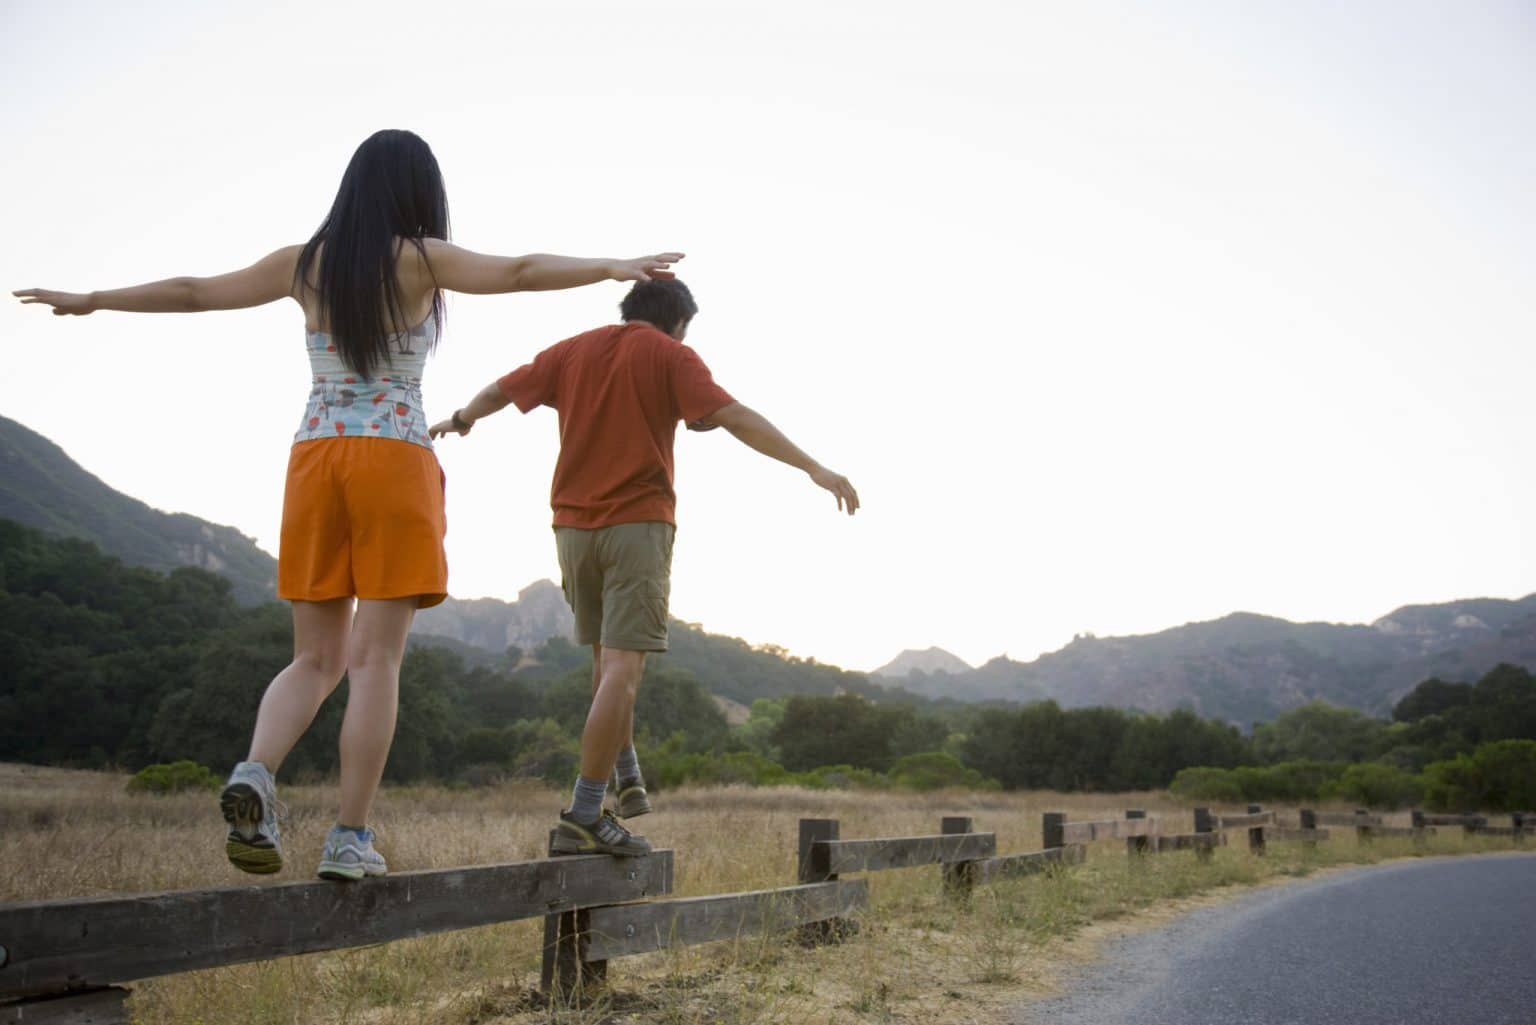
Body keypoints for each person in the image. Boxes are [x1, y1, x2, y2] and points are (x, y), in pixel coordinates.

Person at [13, 128, 683, 880]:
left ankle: (257, 773)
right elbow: (521, 270)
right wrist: (608, 266)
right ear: (417, 191)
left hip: (315, 458)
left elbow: (198, 292)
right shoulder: (418, 258)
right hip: (392, 458)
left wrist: (95, 300)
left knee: (313, 656)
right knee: (375, 661)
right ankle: (348, 836)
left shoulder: (305, 264)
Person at [429, 278, 858, 856]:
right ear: (678, 322)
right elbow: (734, 416)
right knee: (624, 672)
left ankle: (627, 772)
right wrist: (813, 467)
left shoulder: (572, 349)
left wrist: (460, 418)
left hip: (571, 528)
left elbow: (502, 389)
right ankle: (584, 813)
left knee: (606, 661)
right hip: (637, 523)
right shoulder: (670, 354)